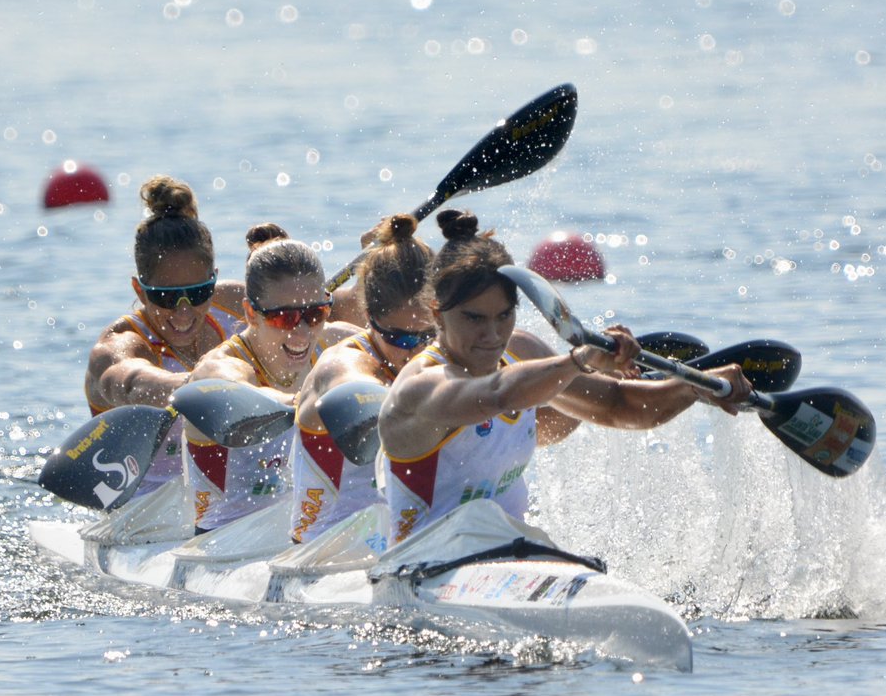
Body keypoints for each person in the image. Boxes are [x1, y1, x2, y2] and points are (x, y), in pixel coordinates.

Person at [377, 210, 754, 544]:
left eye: (504, 316)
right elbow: (496, 395)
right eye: (474, 319)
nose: (492, 336)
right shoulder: (421, 384)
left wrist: (692, 387)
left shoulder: (521, 352)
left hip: (511, 555)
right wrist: (580, 360)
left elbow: (619, 406)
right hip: (420, 567)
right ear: (437, 314)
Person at [185, 230, 359, 531]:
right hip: (222, 540)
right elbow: (233, 389)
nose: (302, 333)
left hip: (306, 533)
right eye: (284, 318)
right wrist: (303, 405)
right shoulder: (221, 366)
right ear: (251, 313)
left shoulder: (339, 346)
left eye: (315, 314)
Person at [83, 175, 244, 497]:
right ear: (140, 292)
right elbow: (127, 383)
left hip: (232, 496)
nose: (184, 312)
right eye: (167, 297)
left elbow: (335, 311)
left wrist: (376, 255)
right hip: (147, 513)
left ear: (214, 281)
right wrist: (210, 383)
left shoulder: (238, 306)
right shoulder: (120, 344)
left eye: (198, 293)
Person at [289, 214, 435, 544]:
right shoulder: (342, 364)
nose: (417, 350)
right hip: (328, 549)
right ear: (368, 318)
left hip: (409, 538)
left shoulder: (444, 351)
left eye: (429, 334)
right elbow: (369, 409)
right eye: (400, 338)